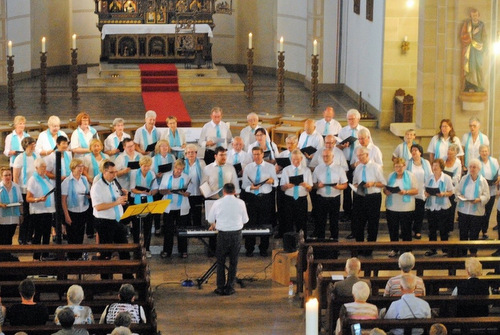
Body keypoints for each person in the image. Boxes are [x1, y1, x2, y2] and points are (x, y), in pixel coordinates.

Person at [90, 161, 131, 277]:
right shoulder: (97, 187)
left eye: (116, 172)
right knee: (106, 253)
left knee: (124, 250)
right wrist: (116, 202)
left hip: (116, 221)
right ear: (104, 172)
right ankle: (106, 280)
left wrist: (124, 197)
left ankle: (127, 277)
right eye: (112, 172)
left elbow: (119, 201)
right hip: (104, 222)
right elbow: (98, 207)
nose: (115, 175)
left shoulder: (114, 184)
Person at [207, 183, 249, 295]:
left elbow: (210, 218)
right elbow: (245, 220)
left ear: (223, 192)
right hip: (236, 234)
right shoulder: (241, 203)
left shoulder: (218, 202)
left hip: (223, 234)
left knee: (221, 261)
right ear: (234, 191)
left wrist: (214, 224)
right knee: (233, 262)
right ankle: (230, 287)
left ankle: (220, 287)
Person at [241, 146, 277, 257]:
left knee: (264, 223)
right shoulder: (248, 167)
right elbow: (244, 185)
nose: (256, 156)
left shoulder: (270, 167)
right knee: (251, 224)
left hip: (265, 198)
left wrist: (271, 181)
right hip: (252, 198)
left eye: (258, 154)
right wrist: (251, 188)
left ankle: (263, 248)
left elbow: (276, 183)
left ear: (262, 155)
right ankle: (249, 248)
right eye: (254, 154)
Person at [337, 109, 369, 225]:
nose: (350, 121)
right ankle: (347, 212)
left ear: (358, 119)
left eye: (352, 119)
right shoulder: (343, 130)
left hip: (359, 162)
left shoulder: (364, 130)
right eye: (348, 119)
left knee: (358, 187)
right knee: (346, 189)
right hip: (346, 162)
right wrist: (342, 146)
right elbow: (337, 147)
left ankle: (357, 211)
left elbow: (369, 146)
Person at [352, 147, 386, 249]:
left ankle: (370, 247)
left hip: (373, 197)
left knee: (372, 222)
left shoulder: (376, 167)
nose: (359, 158)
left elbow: (383, 183)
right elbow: (355, 182)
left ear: (367, 155)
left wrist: (373, 183)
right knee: (359, 222)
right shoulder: (358, 167)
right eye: (357, 156)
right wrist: (356, 186)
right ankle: (359, 246)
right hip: (360, 196)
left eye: (361, 156)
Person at [156, 159, 190, 258]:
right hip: (169, 206)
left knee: (182, 230)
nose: (179, 171)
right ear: (174, 167)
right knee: (168, 230)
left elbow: (188, 193)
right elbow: (161, 191)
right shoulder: (166, 176)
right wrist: (167, 191)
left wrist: (184, 193)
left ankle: (183, 250)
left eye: (181, 169)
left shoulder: (186, 177)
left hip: (181, 207)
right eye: (177, 169)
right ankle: (167, 251)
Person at [384, 158, 418, 257]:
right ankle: (394, 249)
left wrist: (406, 192)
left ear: (404, 166)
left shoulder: (411, 176)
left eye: (400, 166)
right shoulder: (390, 176)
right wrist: (386, 191)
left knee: (406, 230)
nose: (398, 168)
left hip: (406, 208)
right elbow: (385, 189)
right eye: (396, 166)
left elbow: (416, 190)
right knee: (393, 229)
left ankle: (407, 250)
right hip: (392, 207)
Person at [455, 158, 489, 257]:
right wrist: (462, 197)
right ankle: (462, 252)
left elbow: (487, 196)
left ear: (479, 169)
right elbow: (457, 192)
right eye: (470, 167)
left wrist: (479, 199)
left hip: (476, 212)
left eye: (474, 167)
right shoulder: (464, 179)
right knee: (463, 233)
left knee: (474, 233)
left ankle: (473, 253)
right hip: (464, 210)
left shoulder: (483, 181)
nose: (472, 169)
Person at [312, 149, 348, 240]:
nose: (325, 158)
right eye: (323, 156)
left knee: (334, 222)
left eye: (327, 156)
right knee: (321, 221)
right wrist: (318, 185)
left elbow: (345, 185)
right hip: (321, 198)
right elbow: (313, 185)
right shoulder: (318, 168)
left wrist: (338, 187)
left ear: (332, 157)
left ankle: (334, 243)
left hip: (334, 198)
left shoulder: (339, 169)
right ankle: (320, 243)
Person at [26, 157, 55, 260]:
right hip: (38, 211)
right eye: (42, 167)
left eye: (45, 167)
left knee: (47, 234)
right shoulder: (33, 180)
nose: (44, 169)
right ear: (36, 168)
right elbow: (28, 198)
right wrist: (38, 199)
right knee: (38, 234)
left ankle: (45, 255)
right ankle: (36, 257)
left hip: (47, 210)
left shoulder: (46, 178)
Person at [424, 159, 454, 256]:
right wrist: (426, 193)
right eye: (433, 165)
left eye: (436, 165)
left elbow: (451, 192)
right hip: (431, 206)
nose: (434, 167)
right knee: (432, 228)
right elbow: (425, 190)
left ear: (441, 167)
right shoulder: (429, 178)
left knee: (443, 229)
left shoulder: (447, 178)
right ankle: (432, 249)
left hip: (443, 207)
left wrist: (443, 194)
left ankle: (445, 249)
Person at [61, 159, 90, 260]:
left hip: (83, 210)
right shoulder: (67, 181)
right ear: (73, 168)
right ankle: (72, 257)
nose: (81, 168)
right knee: (72, 236)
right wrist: (66, 216)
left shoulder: (84, 179)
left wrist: (88, 196)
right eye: (79, 166)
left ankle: (79, 256)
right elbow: (63, 201)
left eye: (82, 166)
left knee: (80, 235)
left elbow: (87, 192)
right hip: (72, 212)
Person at [279, 149, 313, 236]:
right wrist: (286, 186)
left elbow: (310, 189)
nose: (295, 161)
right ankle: (289, 245)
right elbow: (282, 188)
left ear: (301, 159)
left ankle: (302, 243)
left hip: (301, 199)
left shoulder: (306, 170)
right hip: (289, 199)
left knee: (302, 223)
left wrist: (306, 186)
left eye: (297, 159)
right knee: (288, 222)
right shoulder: (286, 170)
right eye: (293, 159)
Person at [13, 136, 37, 245]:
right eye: (32, 144)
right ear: (26, 145)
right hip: (24, 190)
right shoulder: (20, 158)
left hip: (34, 190)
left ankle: (29, 236)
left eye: (34, 144)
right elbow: (16, 177)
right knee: (26, 215)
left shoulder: (36, 156)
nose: (34, 146)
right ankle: (22, 237)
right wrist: (17, 192)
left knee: (33, 215)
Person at [129, 156, 156, 258]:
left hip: (148, 201)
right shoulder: (134, 173)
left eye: (148, 166)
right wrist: (142, 192)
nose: (146, 168)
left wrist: (152, 192)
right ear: (140, 165)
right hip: (137, 201)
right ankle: (136, 249)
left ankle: (147, 248)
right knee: (136, 226)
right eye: (144, 166)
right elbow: (132, 189)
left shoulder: (152, 173)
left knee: (148, 227)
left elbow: (155, 188)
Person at [406, 144, 432, 240]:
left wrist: (428, 190)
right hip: (411, 191)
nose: (413, 152)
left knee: (419, 213)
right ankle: (408, 230)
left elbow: (430, 176)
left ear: (420, 152)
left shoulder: (426, 163)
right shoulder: (408, 163)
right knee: (409, 213)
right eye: (412, 150)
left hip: (421, 191)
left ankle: (417, 230)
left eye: (415, 150)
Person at [461, 8, 486, 92]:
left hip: (479, 50)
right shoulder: (467, 24)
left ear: (478, 16)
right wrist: (472, 34)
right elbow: (462, 36)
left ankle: (479, 85)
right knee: (470, 66)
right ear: (470, 16)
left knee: (479, 66)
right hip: (470, 49)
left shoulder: (482, 25)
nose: (475, 17)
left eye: (476, 15)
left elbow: (484, 37)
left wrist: (484, 48)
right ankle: (470, 85)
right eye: (473, 16)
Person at [478, 144, 498, 239]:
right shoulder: (477, 161)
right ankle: (477, 229)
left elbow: (499, 172)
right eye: (482, 151)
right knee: (480, 211)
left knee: (488, 212)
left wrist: (498, 178)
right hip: (480, 191)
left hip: (492, 190)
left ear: (488, 152)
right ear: (479, 152)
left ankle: (484, 231)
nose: (484, 153)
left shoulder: (494, 161)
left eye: (486, 151)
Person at [183, 144, 206, 228]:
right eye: (188, 152)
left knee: (197, 212)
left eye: (193, 152)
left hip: (197, 191)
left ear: (196, 153)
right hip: (186, 193)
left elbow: (205, 176)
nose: (191, 154)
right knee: (187, 213)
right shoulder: (183, 164)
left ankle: (197, 229)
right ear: (186, 154)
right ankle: (188, 229)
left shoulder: (201, 163)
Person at [0, 167, 23, 247]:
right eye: (6, 175)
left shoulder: (16, 187)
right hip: (2, 218)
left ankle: (8, 255)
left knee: (10, 237)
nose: (8, 177)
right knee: (2, 238)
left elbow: (20, 200)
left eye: (10, 175)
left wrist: (21, 214)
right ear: (1, 176)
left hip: (13, 217)